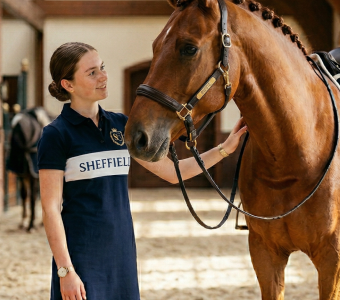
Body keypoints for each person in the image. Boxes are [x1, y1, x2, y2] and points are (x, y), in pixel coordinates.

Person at [37, 42, 247, 300]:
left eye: (102, 68)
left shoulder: (120, 125)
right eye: (92, 73)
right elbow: (50, 209)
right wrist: (65, 270)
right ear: (68, 85)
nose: (103, 76)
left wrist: (224, 149)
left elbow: (172, 172)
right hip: (81, 256)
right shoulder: (56, 135)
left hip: (122, 252)